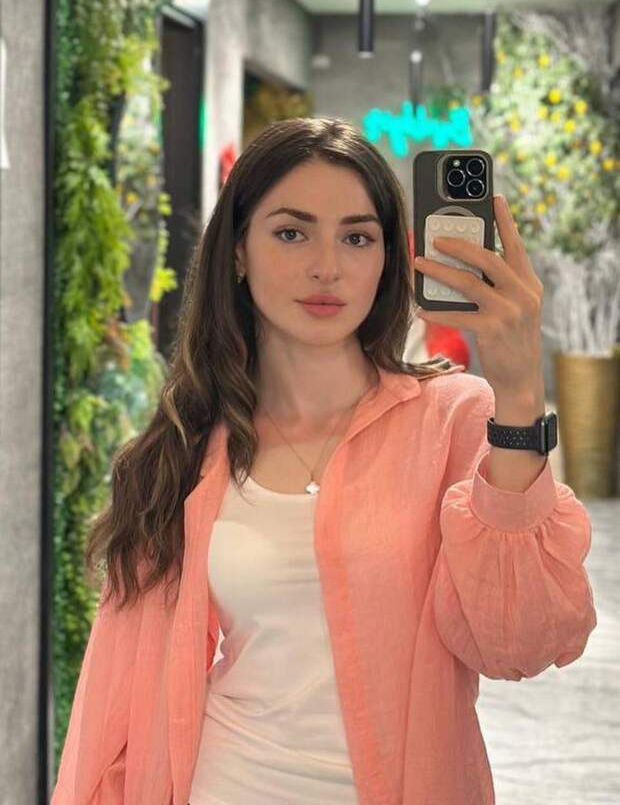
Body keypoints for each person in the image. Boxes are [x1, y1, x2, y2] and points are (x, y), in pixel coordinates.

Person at [51, 117, 596, 805]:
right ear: (238, 252)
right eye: (291, 232)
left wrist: (518, 397)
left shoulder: (453, 418)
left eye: (357, 237)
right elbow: (119, 704)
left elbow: (520, 644)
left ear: (387, 259)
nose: (327, 267)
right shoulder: (186, 446)